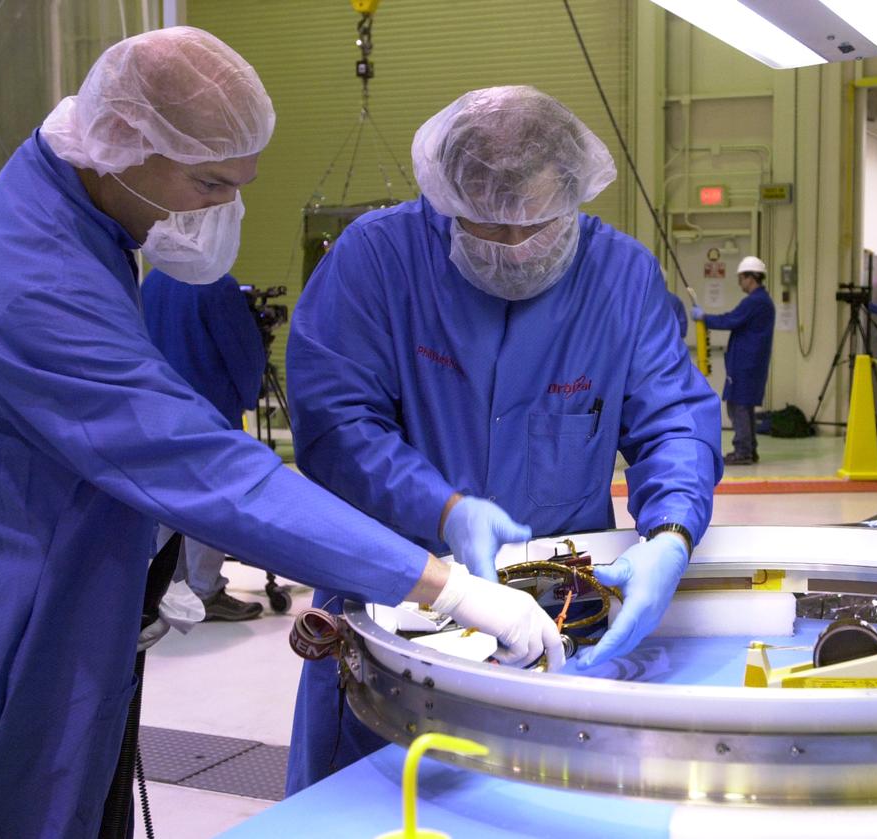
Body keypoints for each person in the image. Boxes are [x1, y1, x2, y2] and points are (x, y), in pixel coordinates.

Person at [0, 31, 562, 837]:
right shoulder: (30, 275)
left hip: (72, 588)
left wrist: (131, 558)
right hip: (13, 628)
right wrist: (443, 584)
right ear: (118, 143)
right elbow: (211, 468)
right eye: (210, 182)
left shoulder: (81, 210)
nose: (223, 209)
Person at [283, 85, 722, 793]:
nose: (515, 247)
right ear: (446, 199)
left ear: (575, 194)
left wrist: (671, 531)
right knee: (372, 806)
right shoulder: (378, 261)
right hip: (396, 606)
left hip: (559, 616)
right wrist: (443, 509)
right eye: (488, 227)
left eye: (538, 223)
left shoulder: (622, 278)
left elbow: (674, 419)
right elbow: (336, 425)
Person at [143, 268, 269, 621]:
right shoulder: (216, 285)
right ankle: (205, 589)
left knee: (170, 503)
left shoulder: (151, 282)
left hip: (162, 411)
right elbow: (243, 353)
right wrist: (247, 395)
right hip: (209, 411)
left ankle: (171, 586)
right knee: (214, 503)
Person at [691, 256, 776, 465]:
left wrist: (704, 318)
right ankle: (749, 449)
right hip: (751, 364)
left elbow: (731, 319)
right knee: (744, 407)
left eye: (741, 278)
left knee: (737, 406)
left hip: (746, 365)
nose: (739, 283)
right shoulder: (763, 302)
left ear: (751, 277)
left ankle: (743, 451)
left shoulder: (756, 302)